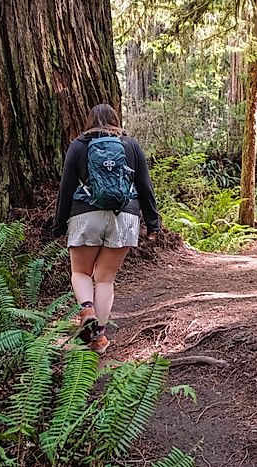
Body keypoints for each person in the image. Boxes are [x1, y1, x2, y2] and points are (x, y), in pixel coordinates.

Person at [52, 104, 160, 354]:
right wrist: (152, 224)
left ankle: (86, 309)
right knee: (105, 278)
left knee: (80, 272)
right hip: (125, 217)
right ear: (116, 119)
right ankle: (98, 338)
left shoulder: (79, 145)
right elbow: (145, 186)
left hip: (85, 214)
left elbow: (66, 188)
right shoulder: (130, 145)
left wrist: (58, 225)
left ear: (89, 121)